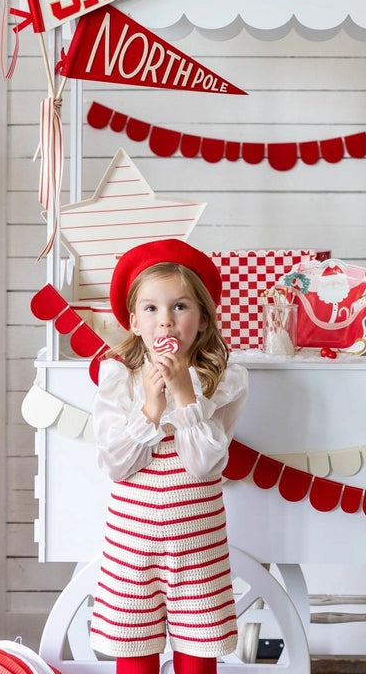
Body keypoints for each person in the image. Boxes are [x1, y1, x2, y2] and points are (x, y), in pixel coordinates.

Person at [88, 239, 249, 674]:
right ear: (135, 321)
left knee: (198, 655)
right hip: (132, 543)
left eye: (180, 306)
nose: (167, 322)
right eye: (152, 309)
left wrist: (183, 395)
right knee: (134, 652)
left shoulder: (225, 379)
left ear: (202, 318)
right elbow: (116, 466)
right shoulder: (119, 376)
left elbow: (205, 466)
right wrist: (151, 408)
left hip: (198, 542)